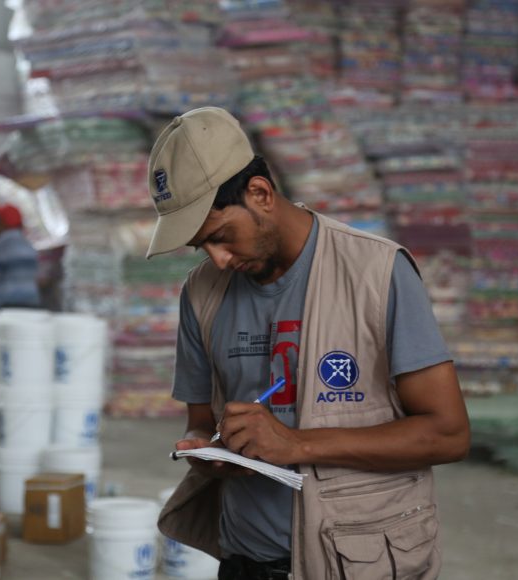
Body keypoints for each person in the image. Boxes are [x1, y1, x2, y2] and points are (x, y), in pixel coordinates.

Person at [150, 107, 471, 580]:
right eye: (203, 248)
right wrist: (210, 452)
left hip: (356, 564)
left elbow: (448, 434)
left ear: (260, 193)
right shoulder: (201, 295)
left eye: (221, 237)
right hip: (246, 562)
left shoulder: (377, 274)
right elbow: (202, 422)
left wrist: (295, 443)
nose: (218, 260)